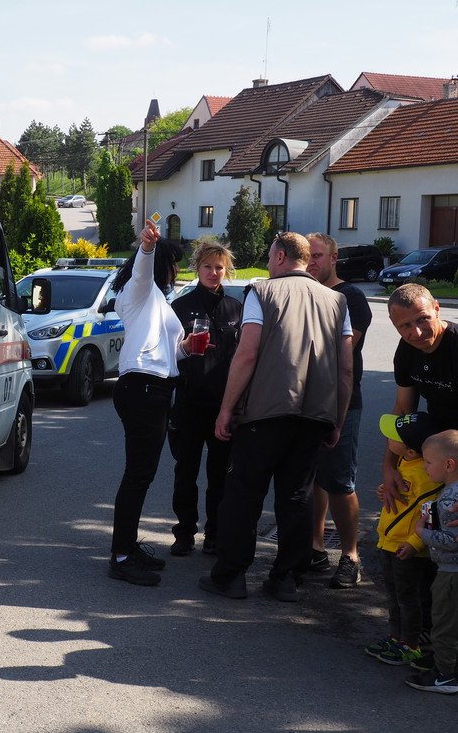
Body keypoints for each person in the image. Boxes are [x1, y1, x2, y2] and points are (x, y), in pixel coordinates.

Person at [198, 232, 353, 603]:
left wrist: (226, 408)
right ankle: (286, 579)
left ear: (281, 257)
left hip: (265, 413)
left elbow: (247, 354)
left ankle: (231, 576)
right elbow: (346, 368)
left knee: (243, 493)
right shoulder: (337, 300)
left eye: (270, 257)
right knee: (297, 497)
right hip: (315, 414)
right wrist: (338, 419)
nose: (268, 264)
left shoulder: (262, 292)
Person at [107, 219, 199, 587]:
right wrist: (147, 247)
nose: (177, 270)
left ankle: (127, 547)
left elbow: (166, 352)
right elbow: (142, 272)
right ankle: (121, 556)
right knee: (137, 475)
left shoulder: (158, 301)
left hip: (154, 388)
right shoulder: (139, 291)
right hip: (143, 388)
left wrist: (186, 349)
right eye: (174, 263)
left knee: (141, 475)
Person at [304, 233, 372, 588]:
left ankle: (350, 557)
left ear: (333, 259)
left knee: (340, 481)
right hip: (304, 399)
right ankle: (314, 548)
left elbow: (339, 350)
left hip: (341, 402)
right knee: (313, 478)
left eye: (318, 255)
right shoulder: (305, 294)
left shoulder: (351, 297)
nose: (311, 262)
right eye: (307, 256)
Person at [167, 240, 242, 556]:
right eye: (208, 266)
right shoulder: (180, 307)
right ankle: (184, 533)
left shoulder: (236, 309)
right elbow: (167, 354)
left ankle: (215, 533)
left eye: (219, 267)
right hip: (188, 403)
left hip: (223, 406)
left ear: (227, 271)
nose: (214, 272)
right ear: (197, 268)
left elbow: (244, 357)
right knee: (185, 472)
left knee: (220, 475)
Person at [365, 412, 442, 667]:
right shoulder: (403, 463)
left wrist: (415, 543)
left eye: (393, 437)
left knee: (408, 598)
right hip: (388, 542)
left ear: (410, 450)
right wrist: (384, 490)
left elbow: (430, 515)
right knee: (394, 597)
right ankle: (396, 637)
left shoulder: (427, 475)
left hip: (407, 548)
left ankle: (411, 644)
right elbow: (403, 500)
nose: (388, 439)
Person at [381, 284, 458, 512]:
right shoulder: (407, 350)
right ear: (394, 325)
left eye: (422, 319)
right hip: (440, 443)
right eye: (405, 325)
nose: (416, 333)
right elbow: (403, 410)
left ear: (437, 308)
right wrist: (388, 467)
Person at [407, 429, 458, 694]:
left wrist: (422, 533)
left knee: (444, 622)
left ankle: (445, 674)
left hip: (451, 572)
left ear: (449, 465)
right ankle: (446, 662)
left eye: (428, 462)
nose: (424, 467)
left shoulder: (449, 498)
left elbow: (451, 540)